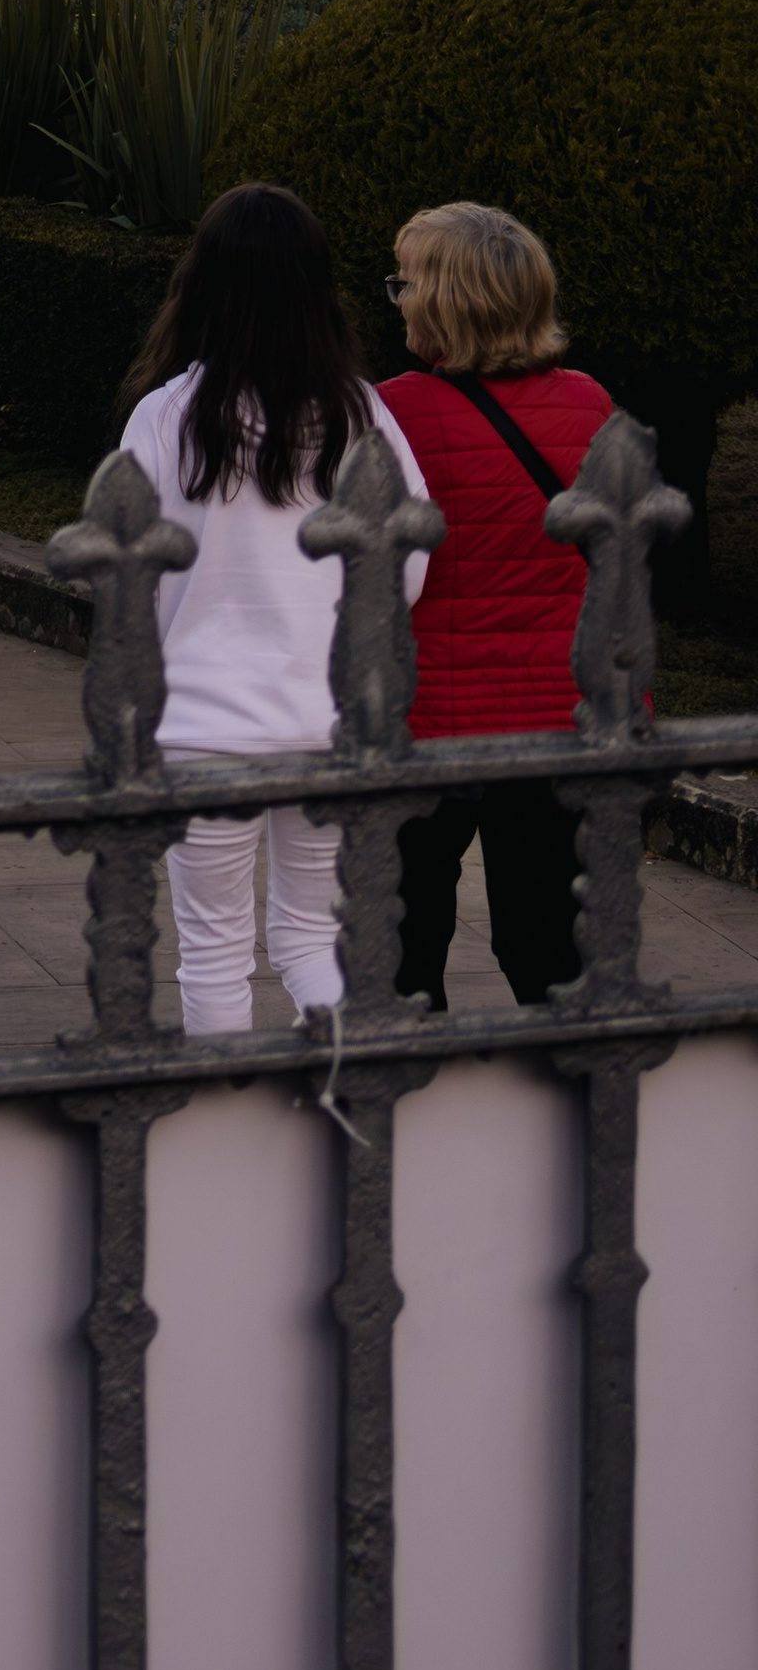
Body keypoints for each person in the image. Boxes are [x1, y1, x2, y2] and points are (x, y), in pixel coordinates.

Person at [117, 183, 430, 1034]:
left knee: (213, 949)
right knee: (310, 937)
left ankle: (225, 1138)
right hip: (328, 716)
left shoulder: (168, 415)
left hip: (203, 724)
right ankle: (340, 1099)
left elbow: (128, 576)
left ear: (205, 283)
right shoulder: (365, 415)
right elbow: (407, 561)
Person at [384, 203, 612, 1010]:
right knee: (552, 950)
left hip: (428, 721)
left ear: (447, 300)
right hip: (558, 719)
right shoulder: (590, 404)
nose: (400, 297)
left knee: (400, 955)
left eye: (406, 282)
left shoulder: (390, 414)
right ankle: (577, 1114)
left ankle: (406, 1116)